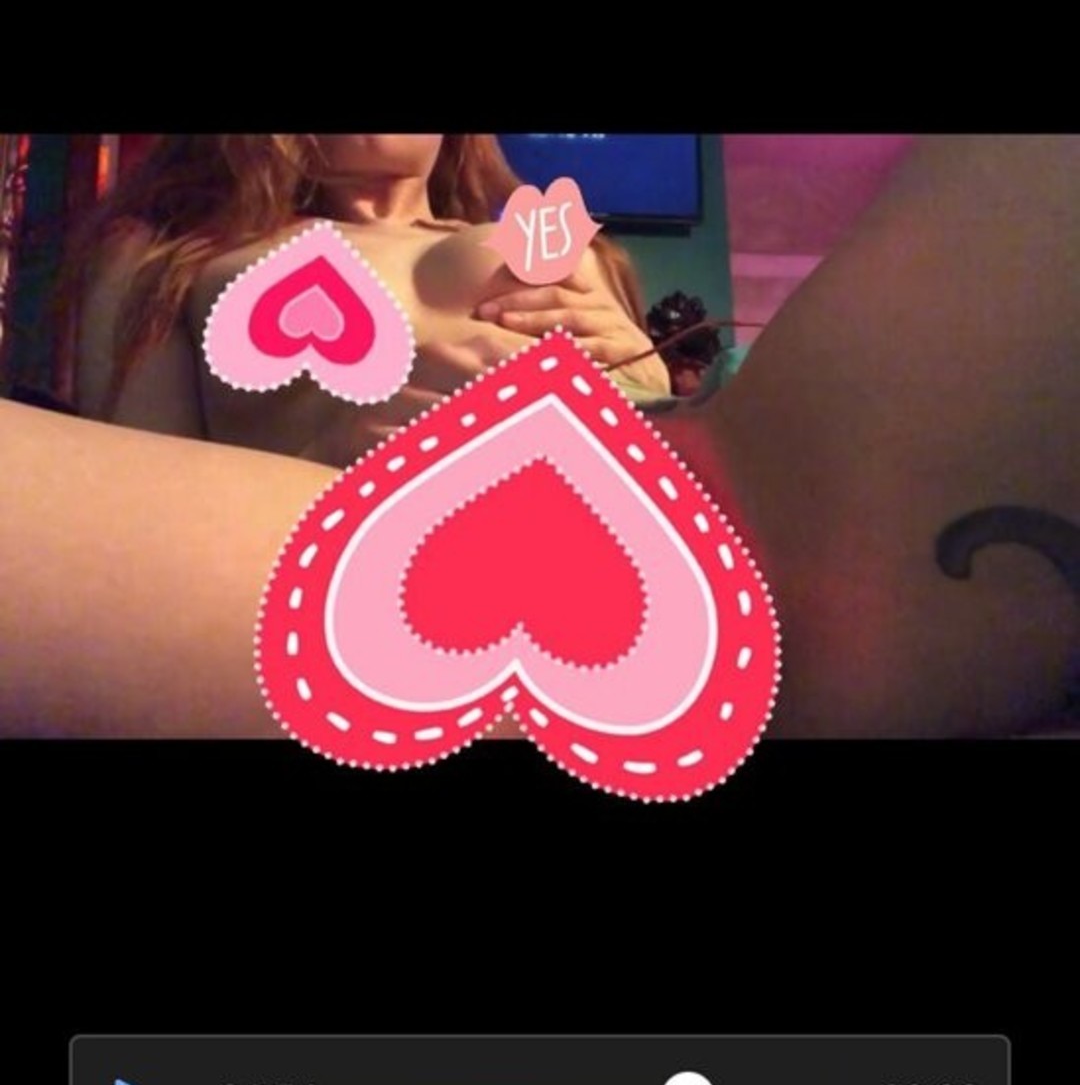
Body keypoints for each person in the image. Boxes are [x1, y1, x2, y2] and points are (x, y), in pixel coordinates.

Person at [4, 135, 1077, 744]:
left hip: (701, 512)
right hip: (414, 566)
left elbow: (659, 406)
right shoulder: (176, 255)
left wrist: (631, 363)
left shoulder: (561, 244)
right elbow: (135, 495)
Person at [73, 135, 670, 464]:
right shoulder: (168, 256)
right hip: (293, 584)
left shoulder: (564, 245)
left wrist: (658, 398)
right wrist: (323, 460)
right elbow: (139, 509)